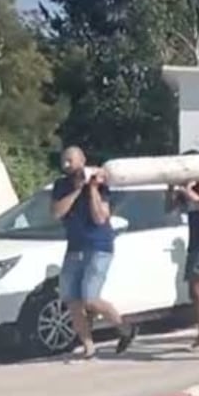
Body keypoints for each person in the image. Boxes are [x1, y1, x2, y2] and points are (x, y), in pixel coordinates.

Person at [49, 146, 135, 360]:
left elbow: (100, 218)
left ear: (82, 160)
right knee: (72, 299)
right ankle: (88, 346)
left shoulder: (100, 183)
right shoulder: (61, 185)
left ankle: (124, 327)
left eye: (71, 160)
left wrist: (93, 189)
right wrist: (77, 189)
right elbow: (57, 213)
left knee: (90, 298)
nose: (67, 164)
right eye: (64, 161)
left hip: (99, 245)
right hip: (74, 247)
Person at [165, 151, 199, 349]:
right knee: (196, 293)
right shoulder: (185, 192)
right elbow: (168, 208)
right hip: (195, 244)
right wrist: (171, 186)